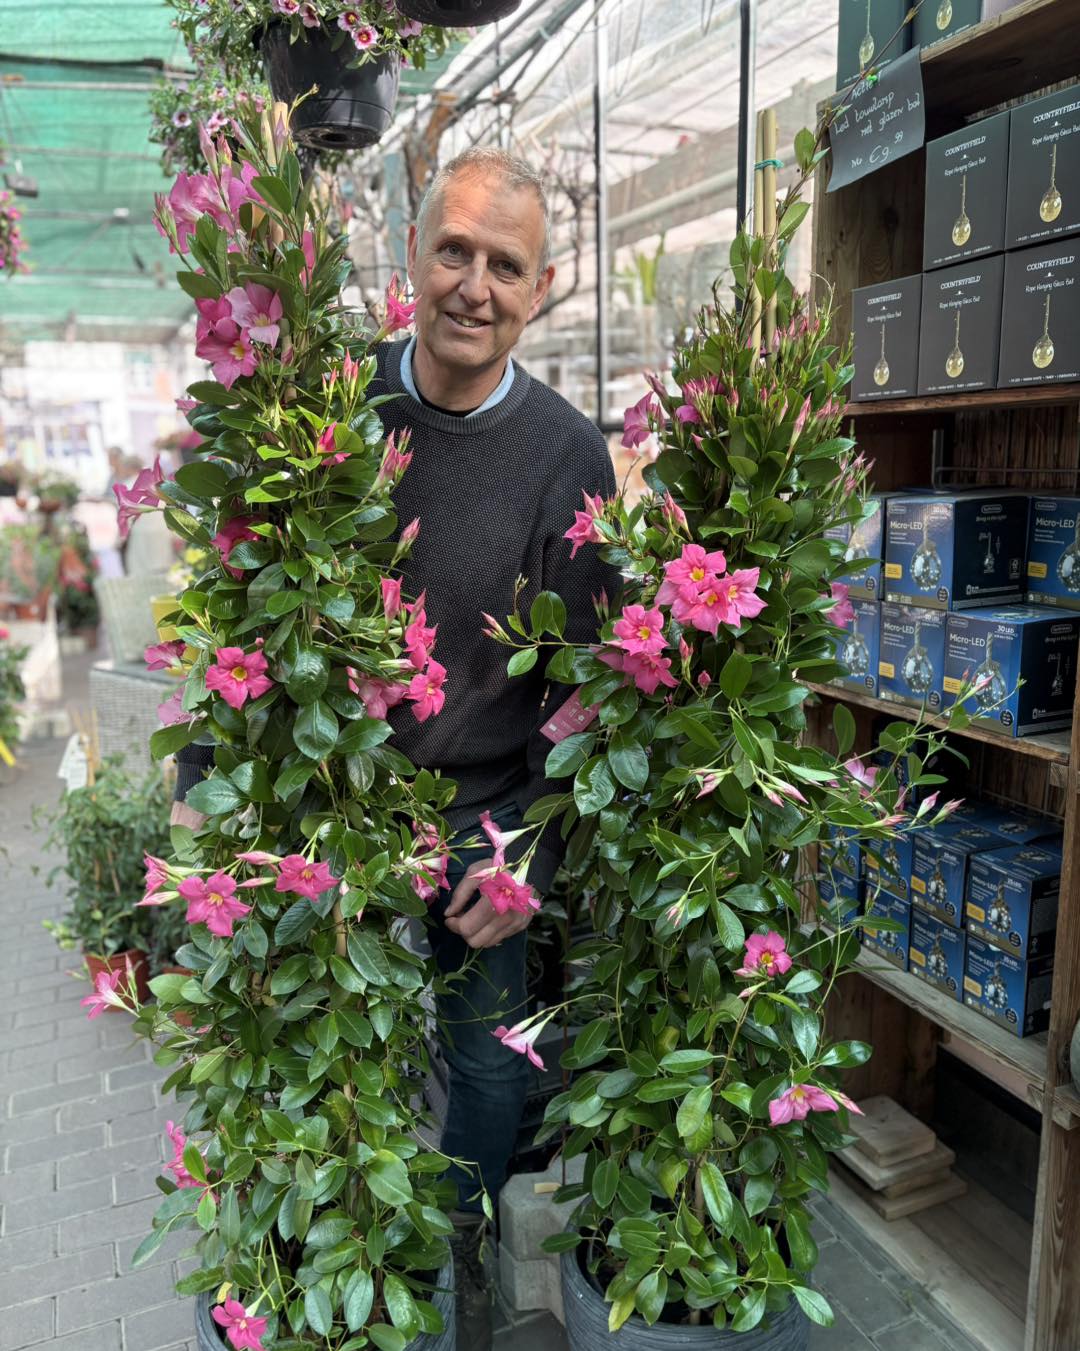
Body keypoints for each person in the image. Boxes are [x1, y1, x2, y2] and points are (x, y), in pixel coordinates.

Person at [173, 147, 617, 1347]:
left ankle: (444, 1241)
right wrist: (207, 793)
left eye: (506, 266)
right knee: (333, 1060)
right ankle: (354, 1271)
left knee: (487, 1069)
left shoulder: (568, 459)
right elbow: (244, 614)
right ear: (411, 260)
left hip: (484, 823)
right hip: (337, 803)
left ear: (545, 287)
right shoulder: (326, 406)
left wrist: (525, 849)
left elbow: (582, 697)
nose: (475, 285)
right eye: (455, 252)